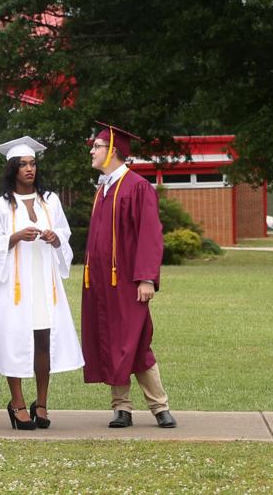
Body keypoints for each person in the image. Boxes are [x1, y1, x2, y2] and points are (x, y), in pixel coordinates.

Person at [0, 136, 83, 430]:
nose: (29, 169)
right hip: (16, 285)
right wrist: (14, 237)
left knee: (43, 341)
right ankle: (18, 403)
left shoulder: (50, 201)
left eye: (32, 163)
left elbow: (65, 234)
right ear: (12, 169)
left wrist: (55, 237)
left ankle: (43, 402)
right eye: (22, 164)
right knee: (14, 340)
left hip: (44, 282)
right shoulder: (1, 206)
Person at [81, 122, 177, 429]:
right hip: (101, 283)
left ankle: (159, 406)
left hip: (127, 283)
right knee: (111, 339)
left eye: (96, 146)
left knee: (134, 341)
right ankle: (121, 407)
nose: (92, 150)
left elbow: (150, 235)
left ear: (112, 151)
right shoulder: (103, 189)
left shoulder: (137, 187)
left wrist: (146, 278)